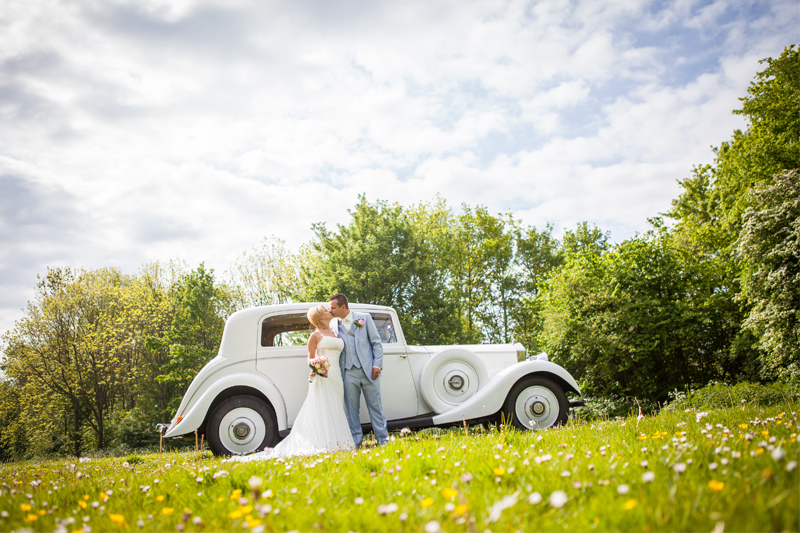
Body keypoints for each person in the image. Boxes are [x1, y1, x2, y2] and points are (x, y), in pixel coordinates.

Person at [231, 304, 354, 460]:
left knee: (335, 405)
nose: (330, 311)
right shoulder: (315, 336)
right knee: (323, 406)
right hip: (323, 375)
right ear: (321, 317)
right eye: (326, 310)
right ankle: (324, 441)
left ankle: (338, 441)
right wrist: (317, 365)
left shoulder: (336, 332)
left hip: (336, 375)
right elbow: (310, 357)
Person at [329, 293, 388, 447]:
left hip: (369, 371)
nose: (331, 311)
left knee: (376, 407)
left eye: (333, 308)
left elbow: (376, 343)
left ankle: (384, 441)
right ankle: (356, 442)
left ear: (343, 307)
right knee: (351, 410)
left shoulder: (364, 318)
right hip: (348, 373)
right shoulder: (334, 324)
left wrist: (377, 365)